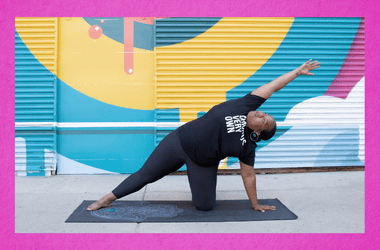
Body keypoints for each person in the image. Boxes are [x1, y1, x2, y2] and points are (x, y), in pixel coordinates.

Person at [87, 59, 320, 212]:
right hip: (179, 141)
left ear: (259, 131)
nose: (262, 113)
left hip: (202, 163)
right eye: (265, 113)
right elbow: (273, 86)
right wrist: (297, 72)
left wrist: (255, 203)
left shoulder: (247, 147)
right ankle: (107, 198)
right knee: (147, 174)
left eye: (264, 119)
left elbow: (248, 176)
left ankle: (198, 185)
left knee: (205, 206)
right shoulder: (247, 103)